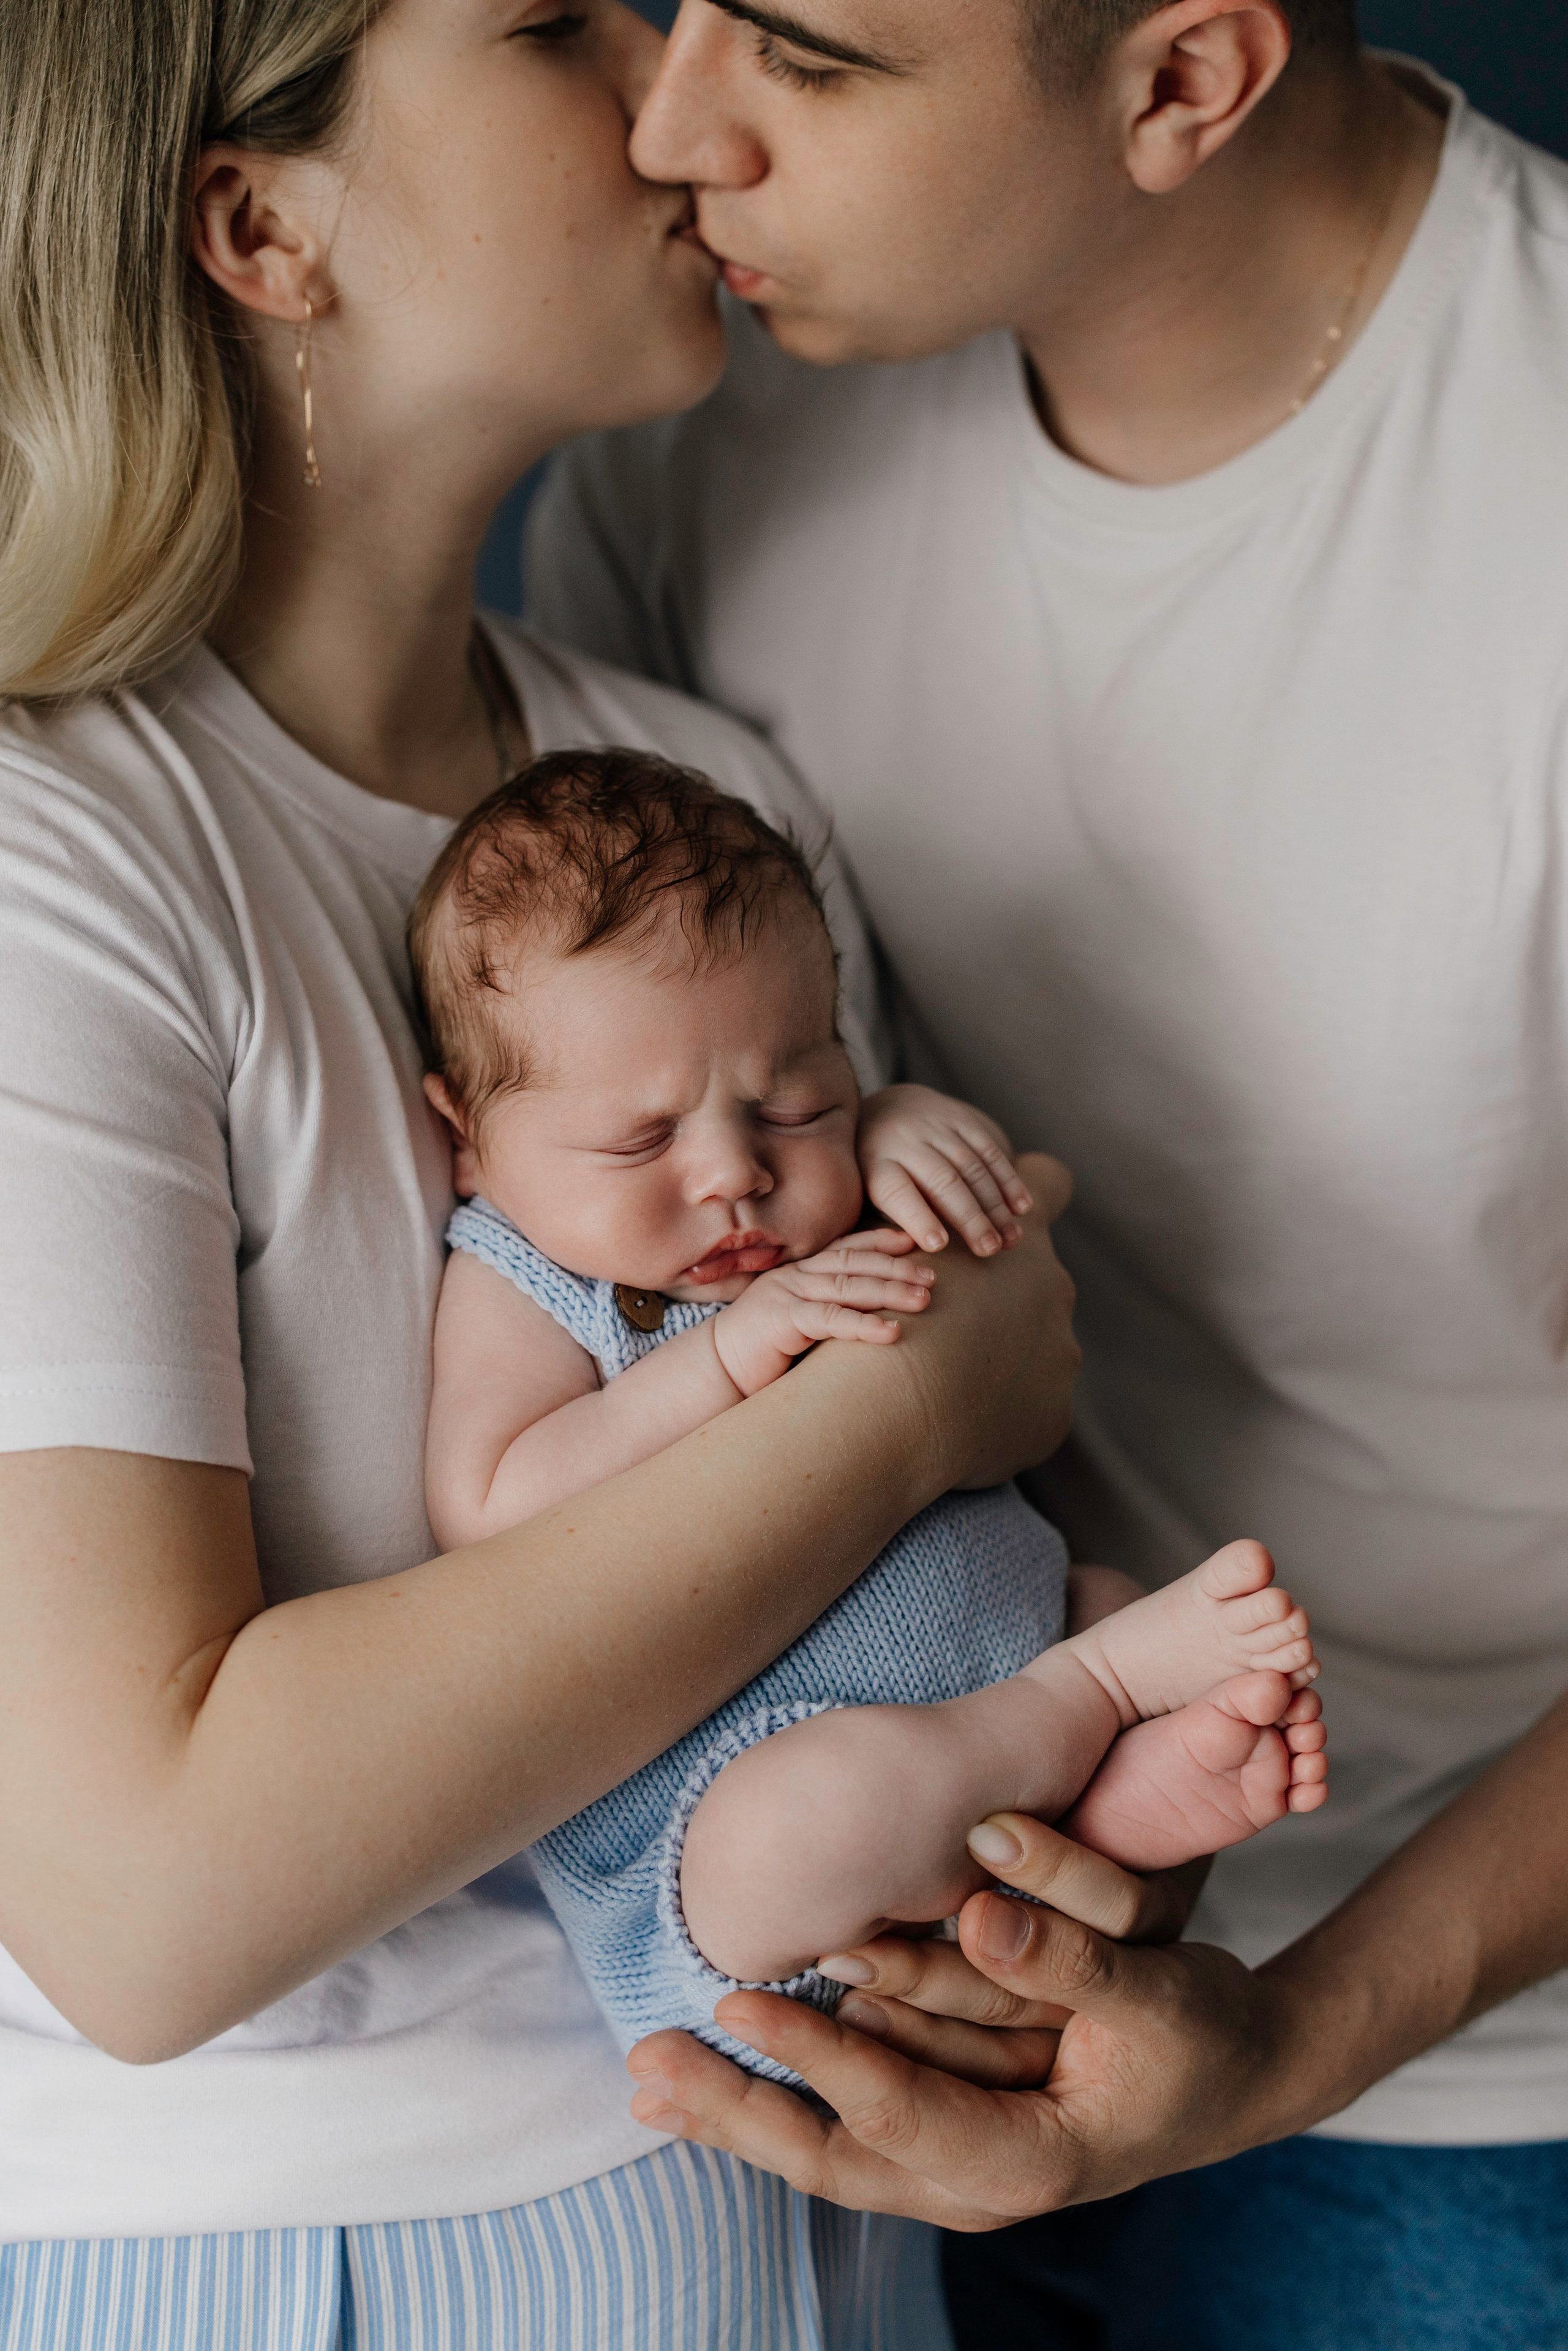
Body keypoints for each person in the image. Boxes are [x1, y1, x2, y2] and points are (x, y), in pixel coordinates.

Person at [0, 1, 1084, 2343]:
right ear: (256, 223)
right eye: (555, 25)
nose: (684, 90)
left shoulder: (689, 788)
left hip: (801, 2159)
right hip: (310, 2248)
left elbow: (900, 1512)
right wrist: (919, 1392)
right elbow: (145, 1899)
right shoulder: (55, 854)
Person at [526, 0, 1568, 2339]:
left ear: (1182, 81)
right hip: (860, 1938)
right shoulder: (720, 401)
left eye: (804, 54)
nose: (672, 127)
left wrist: (1292, 2036)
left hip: (1459, 2050)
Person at [408, 747, 1326, 2064]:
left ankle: (1106, 1810)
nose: (733, 1170)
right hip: (731, 1871)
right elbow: (489, 1503)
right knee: (820, 1816)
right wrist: (727, 1358)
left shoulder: (813, 1189)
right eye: (639, 1140)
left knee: (1108, 1586)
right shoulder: (524, 1276)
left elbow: (999, 1258)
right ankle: (1099, 1690)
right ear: (468, 1137)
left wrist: (898, 1133)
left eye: (791, 1101)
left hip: (975, 1775)